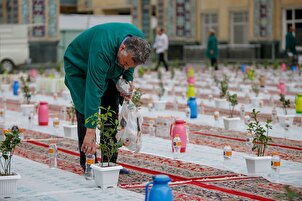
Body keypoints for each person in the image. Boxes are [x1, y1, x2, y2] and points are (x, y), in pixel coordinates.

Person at [64, 23, 151, 173]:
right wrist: (91, 130)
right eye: (125, 63)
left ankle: (109, 164)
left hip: (110, 67)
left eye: (129, 65)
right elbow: (93, 90)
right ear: (122, 48)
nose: (126, 67)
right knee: (85, 108)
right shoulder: (102, 50)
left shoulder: (138, 42)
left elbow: (129, 67)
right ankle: (89, 162)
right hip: (80, 66)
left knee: (111, 109)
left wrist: (127, 82)